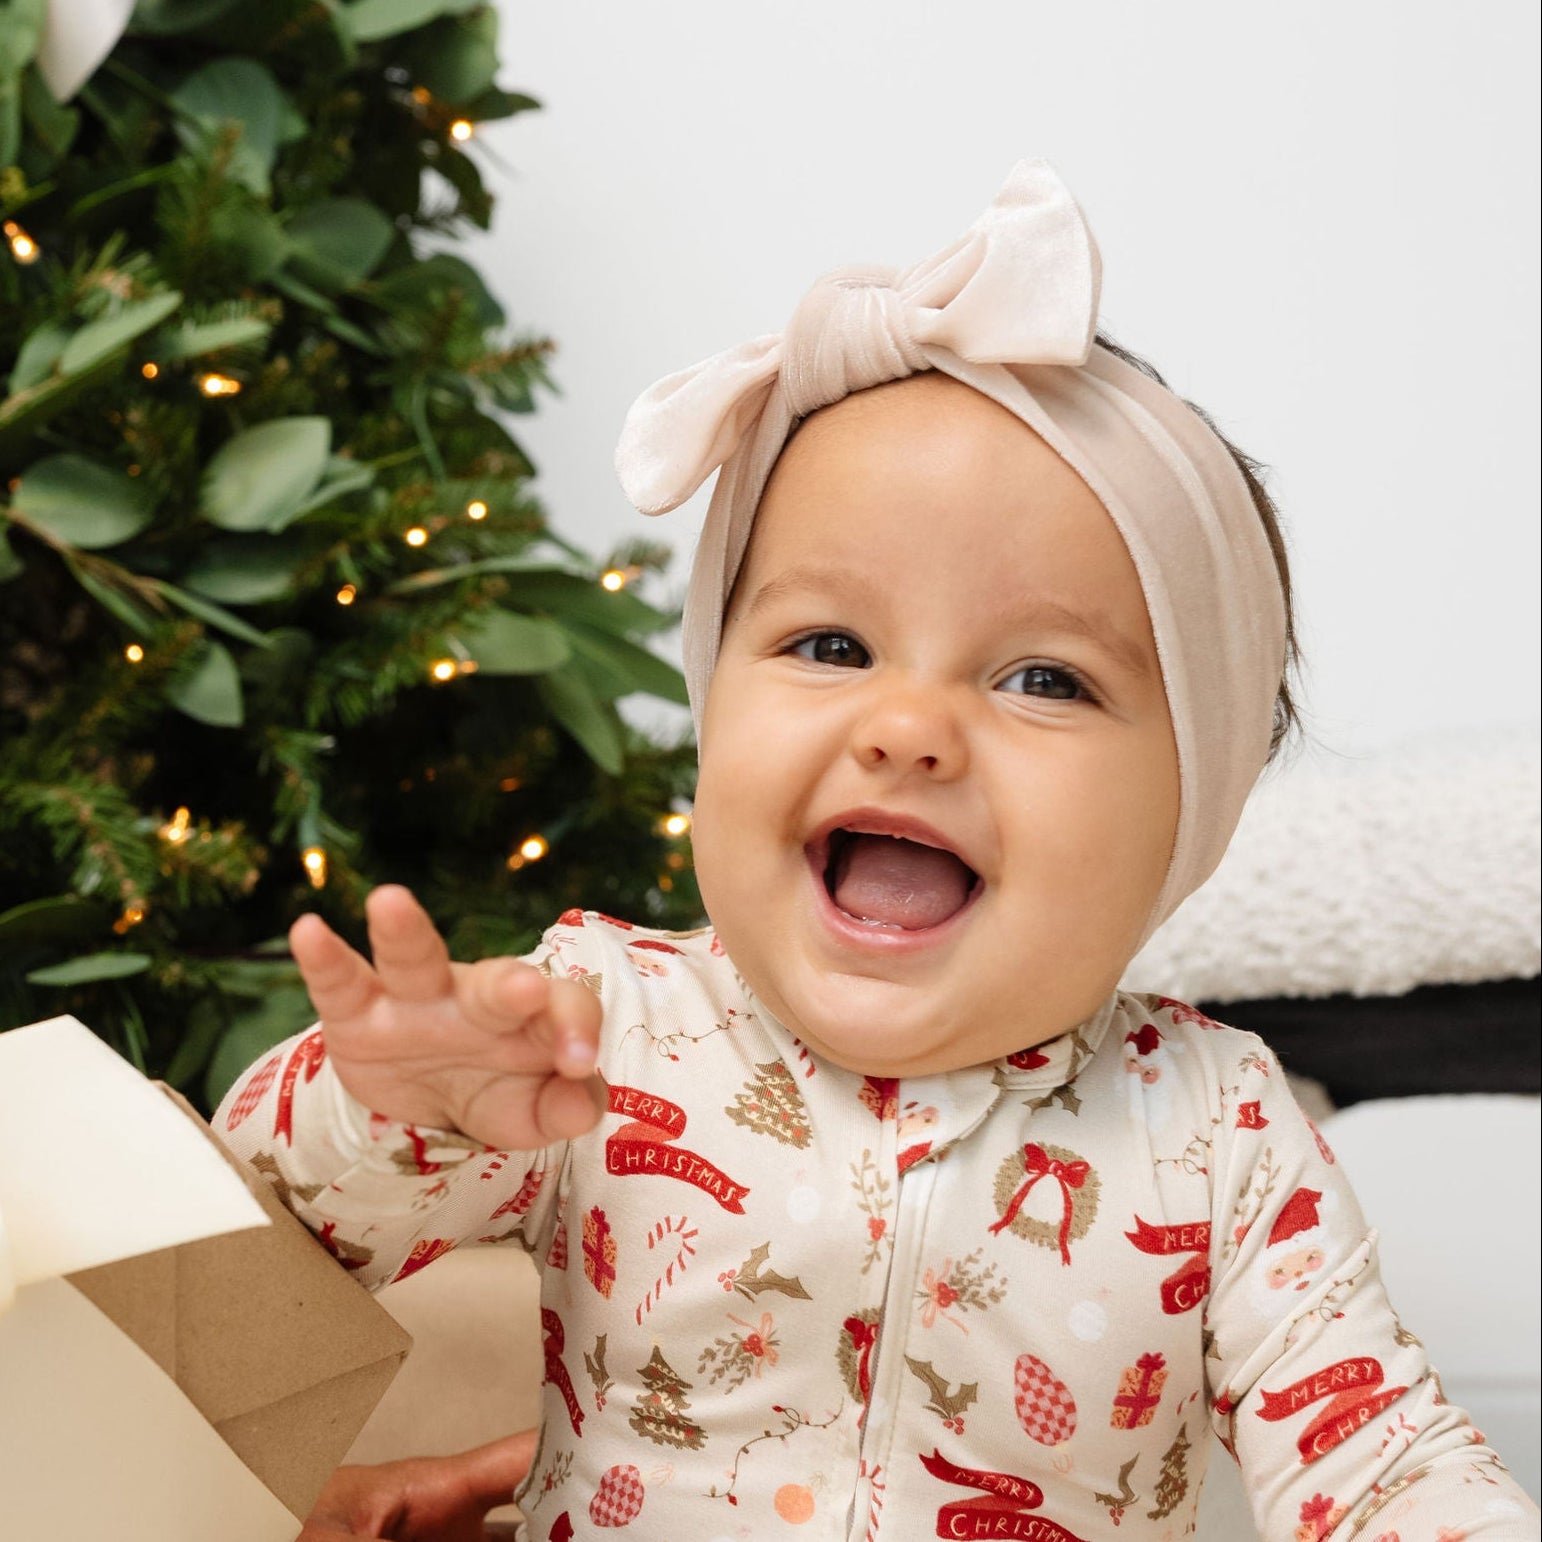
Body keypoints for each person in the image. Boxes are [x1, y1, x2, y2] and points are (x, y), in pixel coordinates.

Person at [219, 162, 1539, 1540]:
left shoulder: (1217, 1130)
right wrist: (393, 1115)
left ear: (1185, 815)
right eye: (828, 646)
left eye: (1042, 678)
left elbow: (1379, 1452)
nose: (907, 725)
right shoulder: (598, 1031)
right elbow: (267, 1267)